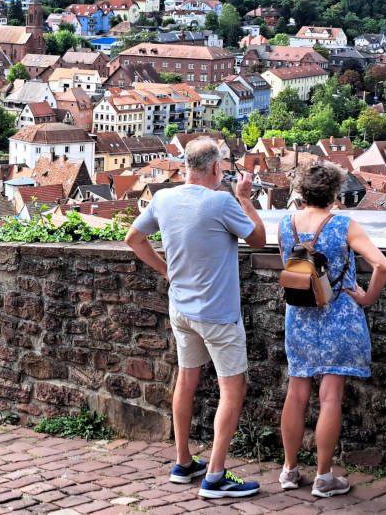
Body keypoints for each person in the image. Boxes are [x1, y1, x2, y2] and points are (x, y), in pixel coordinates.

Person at [125, 137, 266, 499]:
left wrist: (166, 270)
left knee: (186, 381)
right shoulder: (221, 201)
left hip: (182, 308)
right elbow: (260, 241)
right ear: (216, 168)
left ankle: (183, 461)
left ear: (186, 165)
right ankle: (216, 475)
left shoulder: (164, 198)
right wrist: (246, 199)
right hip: (218, 313)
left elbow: (134, 238)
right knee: (232, 389)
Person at [277, 161, 386, 498]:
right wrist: (367, 297)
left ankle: (289, 469)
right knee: (330, 397)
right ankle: (324, 477)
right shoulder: (343, 224)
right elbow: (382, 265)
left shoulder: (287, 223)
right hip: (338, 315)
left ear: (302, 191)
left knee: (296, 394)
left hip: (299, 315)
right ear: (335, 192)